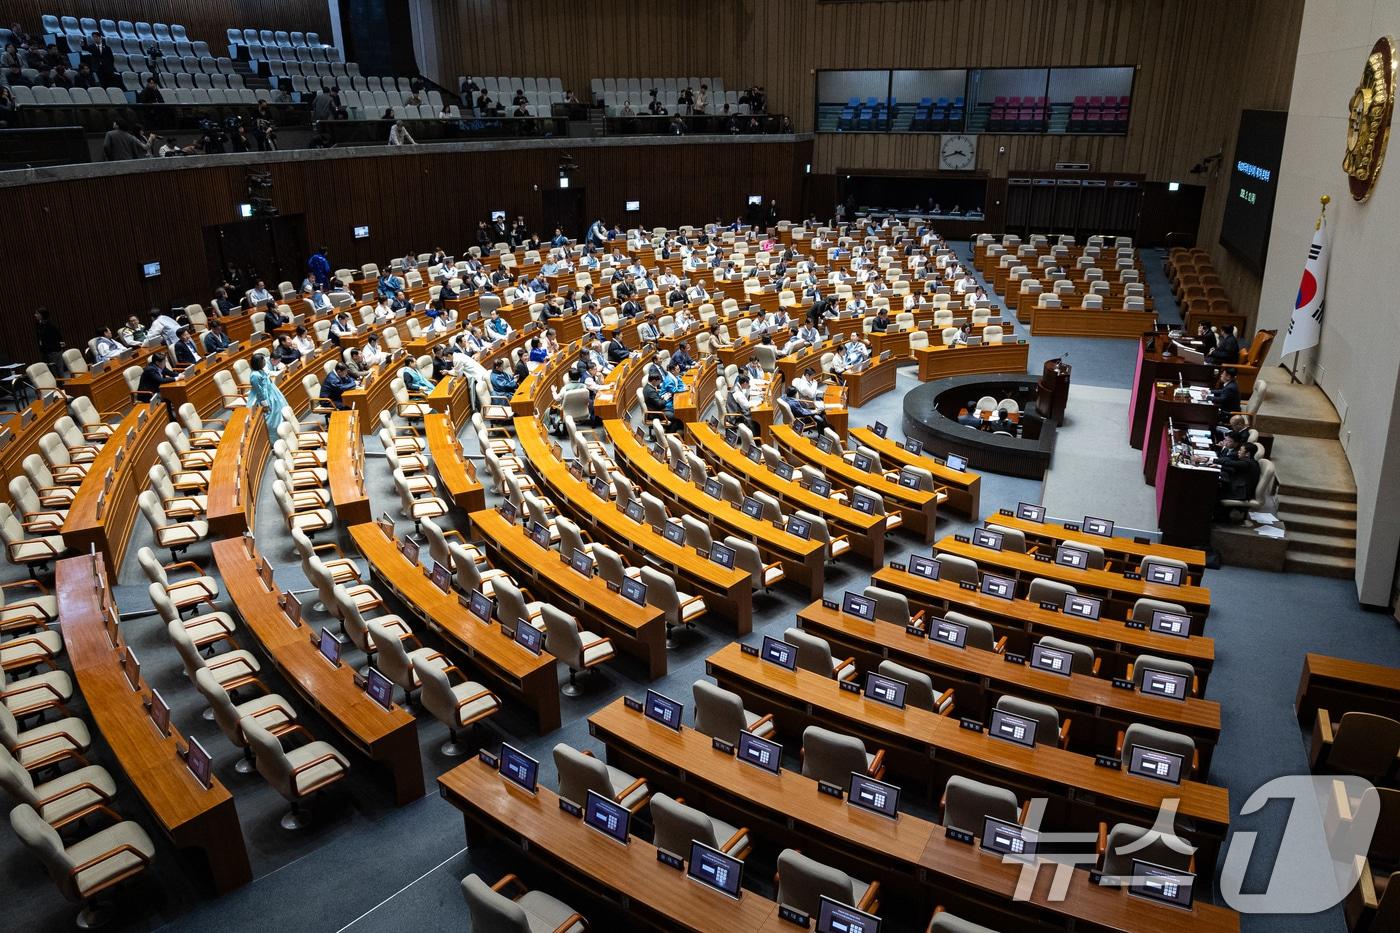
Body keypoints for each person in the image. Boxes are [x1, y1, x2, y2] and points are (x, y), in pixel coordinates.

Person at [246, 353, 287, 431]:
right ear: (258, 363)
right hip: (265, 397)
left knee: (280, 409)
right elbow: (259, 392)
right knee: (272, 415)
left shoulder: (260, 370)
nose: (265, 361)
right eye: (263, 360)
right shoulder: (254, 375)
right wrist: (265, 405)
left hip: (271, 392)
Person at [1217, 442, 1261, 512]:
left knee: (1215, 491)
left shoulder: (1247, 463)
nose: (1238, 452)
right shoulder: (1250, 462)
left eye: (1241, 450)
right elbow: (1233, 470)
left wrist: (1211, 460)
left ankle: (1220, 517)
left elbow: (1228, 463)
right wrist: (1218, 466)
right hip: (1239, 488)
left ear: (1247, 454)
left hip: (1242, 493)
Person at [33, 309, 65, 375]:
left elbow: (59, 337)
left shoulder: (50, 326)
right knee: (50, 373)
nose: (35, 315)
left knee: (58, 372)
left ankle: (62, 385)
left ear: (42, 315)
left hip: (54, 352)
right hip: (45, 353)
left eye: (37, 314)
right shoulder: (39, 325)